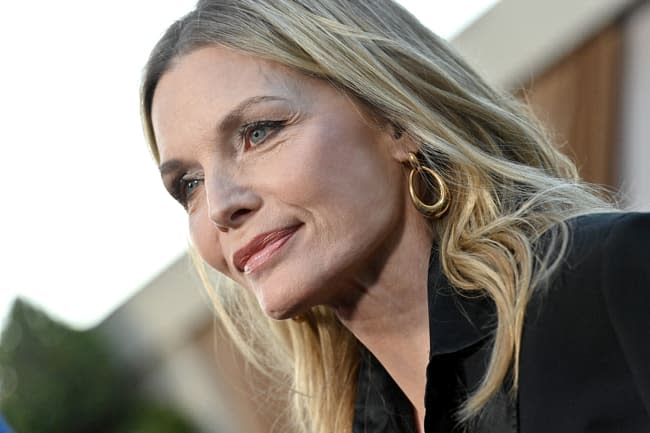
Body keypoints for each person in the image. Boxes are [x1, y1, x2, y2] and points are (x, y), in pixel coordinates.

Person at [140, 1, 650, 432]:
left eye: (258, 133)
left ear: (396, 119)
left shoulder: (614, 278)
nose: (222, 204)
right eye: (190, 184)